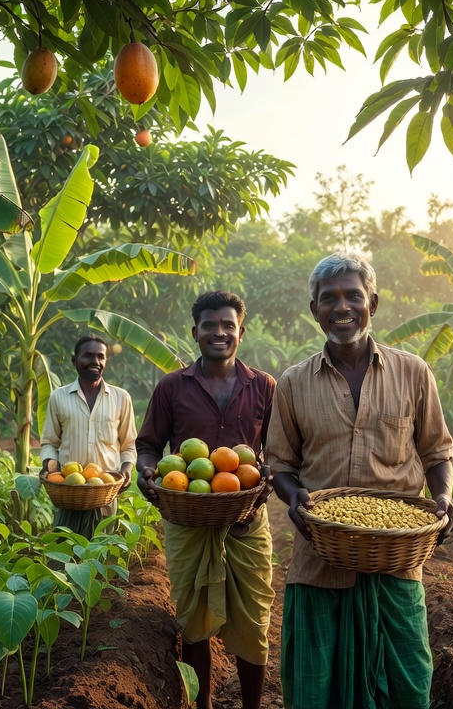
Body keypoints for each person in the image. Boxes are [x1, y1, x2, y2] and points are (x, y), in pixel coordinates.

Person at [266, 252, 453, 709]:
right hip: (319, 561)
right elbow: (279, 464)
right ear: (314, 310)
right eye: (328, 298)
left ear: (372, 303)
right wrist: (294, 498)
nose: (342, 307)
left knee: (409, 685)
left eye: (353, 295)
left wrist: (443, 496)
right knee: (314, 690)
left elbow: (437, 453)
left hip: (396, 562)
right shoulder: (293, 383)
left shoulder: (413, 372)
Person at [136, 290, 276, 709]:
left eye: (228, 326)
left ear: (241, 333)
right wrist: (147, 472)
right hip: (189, 519)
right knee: (193, 621)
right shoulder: (171, 386)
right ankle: (202, 705)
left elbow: (281, 450)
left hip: (246, 520)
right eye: (210, 326)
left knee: (254, 621)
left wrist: (271, 474)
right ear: (195, 332)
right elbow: (148, 445)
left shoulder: (264, 386)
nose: (220, 332)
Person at [39, 334, 137, 539]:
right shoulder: (59, 397)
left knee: (101, 551)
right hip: (69, 493)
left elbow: (129, 445)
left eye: (101, 357)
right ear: (74, 360)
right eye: (88, 356)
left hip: (105, 494)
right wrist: (50, 462)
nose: (95, 361)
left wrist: (127, 468)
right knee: (64, 549)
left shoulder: (121, 398)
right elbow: (49, 443)